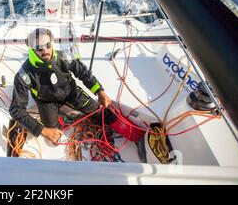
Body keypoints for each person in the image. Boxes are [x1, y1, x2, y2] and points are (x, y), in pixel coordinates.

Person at [9, 28, 146, 160]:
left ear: (52, 43)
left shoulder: (64, 57)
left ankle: (137, 136)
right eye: (39, 47)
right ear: (32, 49)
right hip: (45, 101)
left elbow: (83, 73)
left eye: (48, 45)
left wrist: (99, 91)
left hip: (70, 92)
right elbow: (16, 110)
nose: (45, 50)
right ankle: (61, 119)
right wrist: (43, 130)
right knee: (53, 139)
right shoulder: (24, 74)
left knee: (101, 113)